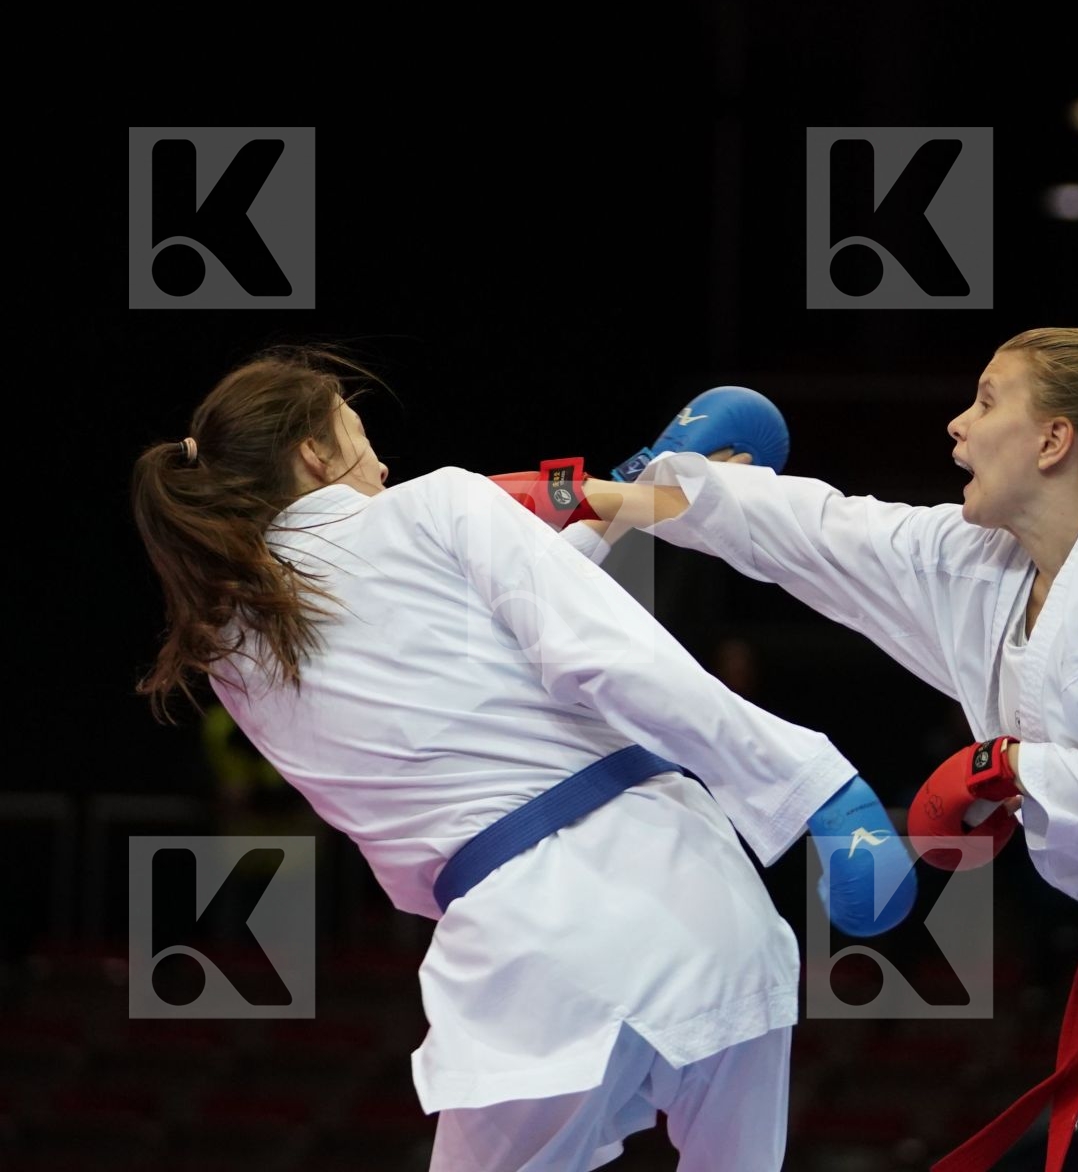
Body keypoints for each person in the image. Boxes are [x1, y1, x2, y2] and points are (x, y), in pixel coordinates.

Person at [589, 328, 1078, 1170]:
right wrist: (620, 496)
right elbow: (824, 532)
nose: (958, 424)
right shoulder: (985, 562)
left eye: (985, 401)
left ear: (1053, 440)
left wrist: (1009, 769)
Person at [130, 345, 917, 1172]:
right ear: (315, 455)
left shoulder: (230, 655)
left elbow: (480, 654)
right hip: (700, 904)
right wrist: (820, 790)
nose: (383, 463)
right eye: (359, 436)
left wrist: (622, 499)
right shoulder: (436, 502)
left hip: (531, 955)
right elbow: (606, 657)